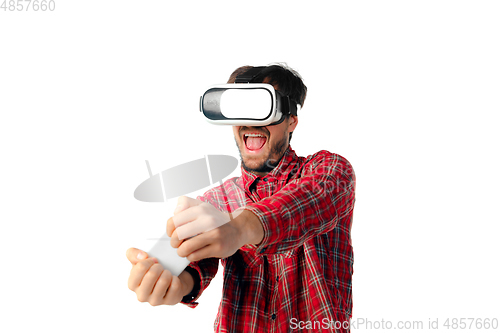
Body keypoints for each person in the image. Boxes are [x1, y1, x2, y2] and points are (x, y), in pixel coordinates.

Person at [126, 64, 356, 332]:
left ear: (291, 119)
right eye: (240, 109)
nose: (250, 122)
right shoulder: (214, 201)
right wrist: (173, 283)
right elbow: (195, 266)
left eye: (262, 108)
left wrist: (239, 228)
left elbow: (309, 202)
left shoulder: (330, 170)